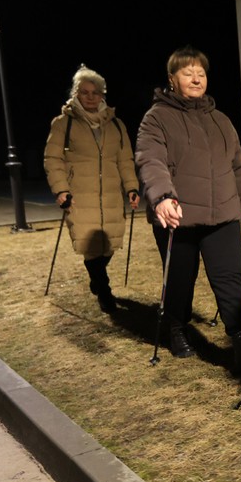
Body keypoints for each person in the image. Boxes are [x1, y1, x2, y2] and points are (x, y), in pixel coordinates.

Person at [135, 46, 241, 371]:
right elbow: (150, 160)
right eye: (187, 73)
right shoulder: (156, 118)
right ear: (171, 79)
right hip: (179, 216)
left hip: (223, 214)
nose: (196, 79)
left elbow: (238, 167)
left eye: (201, 73)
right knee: (179, 279)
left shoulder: (220, 120)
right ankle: (177, 328)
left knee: (230, 278)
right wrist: (162, 197)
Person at [43, 64, 139, 313]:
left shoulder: (116, 124)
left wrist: (132, 187)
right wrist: (61, 189)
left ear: (102, 94)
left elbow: (125, 160)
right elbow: (53, 159)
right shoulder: (63, 123)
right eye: (84, 92)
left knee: (109, 245)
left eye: (95, 92)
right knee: (89, 245)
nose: (90, 97)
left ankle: (96, 279)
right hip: (79, 196)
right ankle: (104, 291)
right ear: (75, 92)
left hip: (110, 195)